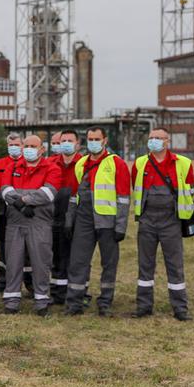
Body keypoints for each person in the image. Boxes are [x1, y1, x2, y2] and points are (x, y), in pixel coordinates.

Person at [65, 127, 131, 317]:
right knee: (78, 262)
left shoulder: (116, 163)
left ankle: (105, 303)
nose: (93, 142)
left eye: (97, 138)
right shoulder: (81, 163)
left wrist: (120, 227)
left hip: (107, 222)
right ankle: (74, 303)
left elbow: (124, 198)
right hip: (84, 219)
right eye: (90, 138)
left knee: (109, 264)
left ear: (105, 140)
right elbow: (74, 195)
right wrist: (70, 220)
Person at [131, 127, 193, 321]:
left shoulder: (183, 163)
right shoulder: (140, 163)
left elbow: (190, 190)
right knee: (145, 265)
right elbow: (136, 188)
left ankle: (180, 308)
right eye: (151, 138)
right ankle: (143, 306)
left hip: (171, 221)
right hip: (147, 220)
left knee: (175, 265)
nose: (154, 141)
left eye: (159, 138)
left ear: (168, 141)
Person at [0, 135, 61, 316]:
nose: (28, 149)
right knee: (13, 262)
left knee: (41, 262)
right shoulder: (13, 167)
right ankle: (11, 302)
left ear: (42, 149)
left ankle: (41, 301)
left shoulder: (51, 168)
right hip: (15, 222)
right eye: (26, 146)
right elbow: (4, 190)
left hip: (39, 222)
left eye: (33, 146)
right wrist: (20, 204)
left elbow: (48, 193)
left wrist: (21, 200)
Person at [47, 130, 82, 305]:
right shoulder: (50, 163)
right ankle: (57, 292)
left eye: (70, 140)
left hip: (78, 215)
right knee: (56, 255)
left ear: (78, 144)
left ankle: (77, 292)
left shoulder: (83, 163)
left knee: (76, 256)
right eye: (63, 140)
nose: (66, 143)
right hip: (54, 213)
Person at [0, 134, 31, 293]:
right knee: (3, 249)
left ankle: (30, 284)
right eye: (10, 144)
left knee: (28, 249)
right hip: (3, 212)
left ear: (22, 145)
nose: (13, 147)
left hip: (25, 212)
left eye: (16, 144)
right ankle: (3, 283)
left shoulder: (28, 163)